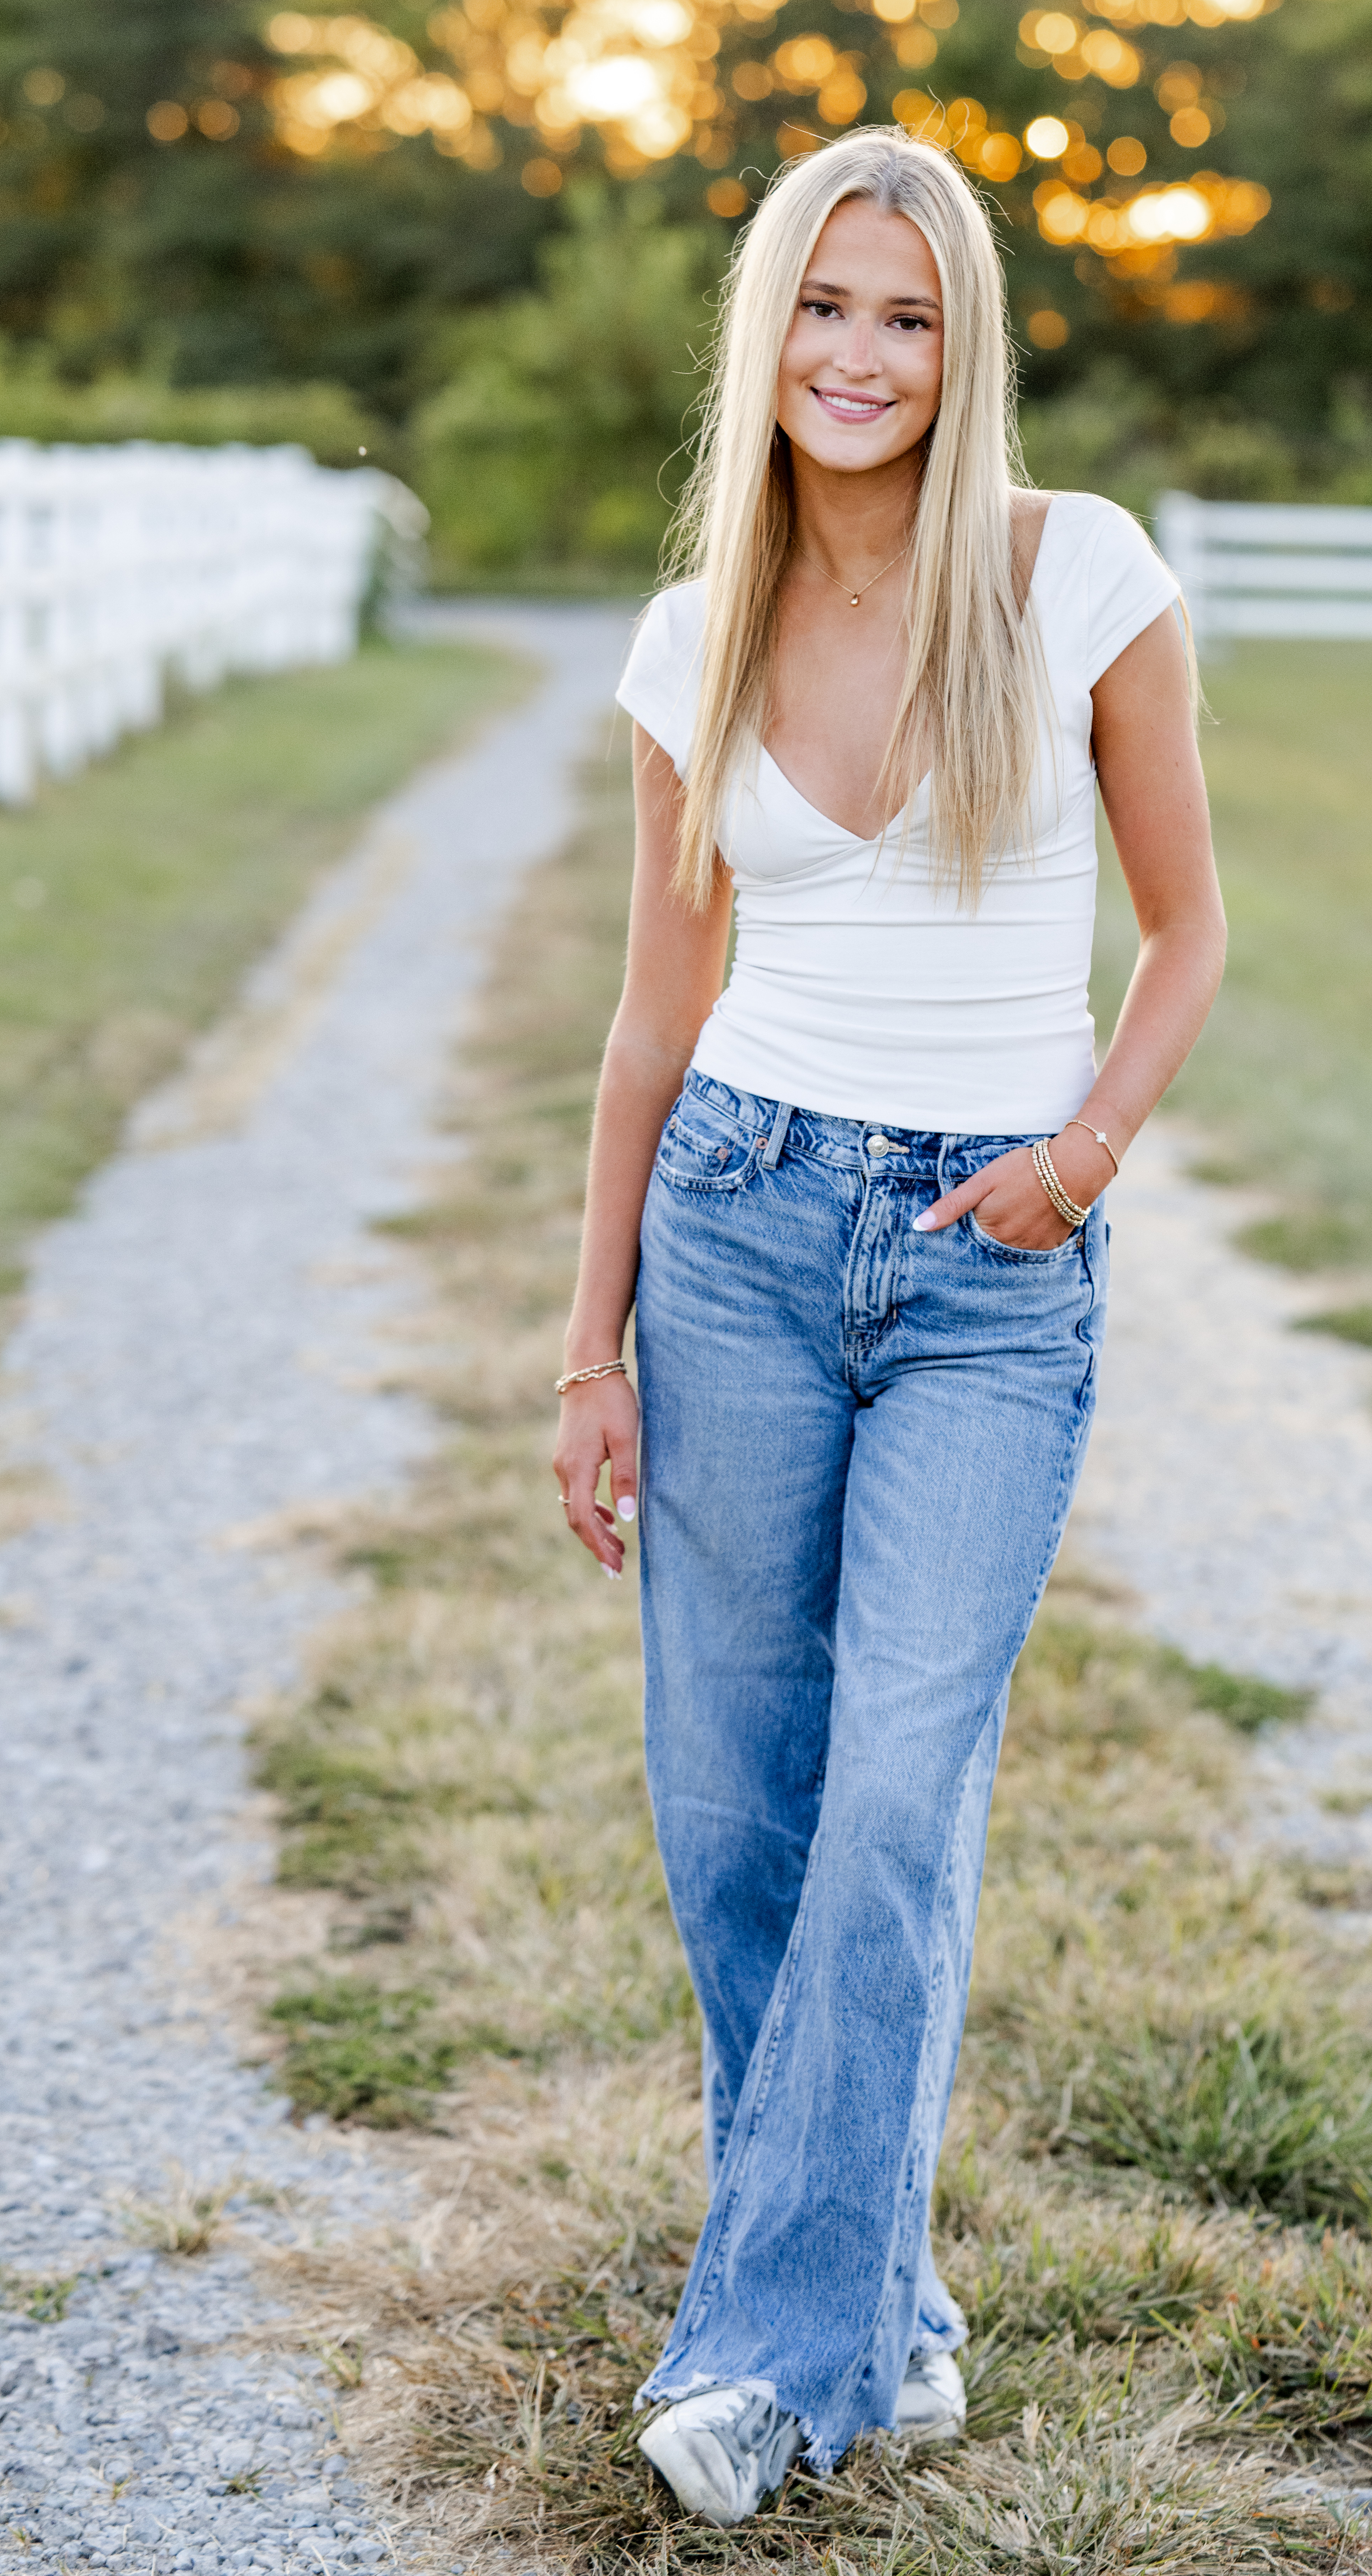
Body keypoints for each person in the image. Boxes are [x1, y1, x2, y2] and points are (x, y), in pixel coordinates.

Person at [550, 124, 1225, 2527]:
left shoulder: (1077, 577)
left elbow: (1190, 935)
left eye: (910, 316)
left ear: (968, 347)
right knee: (735, 1805)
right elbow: (651, 1016)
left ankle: (767, 2357)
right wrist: (592, 1340)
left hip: (990, 1264)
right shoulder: (694, 631)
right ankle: (880, 2298)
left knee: (895, 1800)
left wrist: (1076, 1163)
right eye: (825, 310)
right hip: (730, 1222)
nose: (860, 357)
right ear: (769, 334)